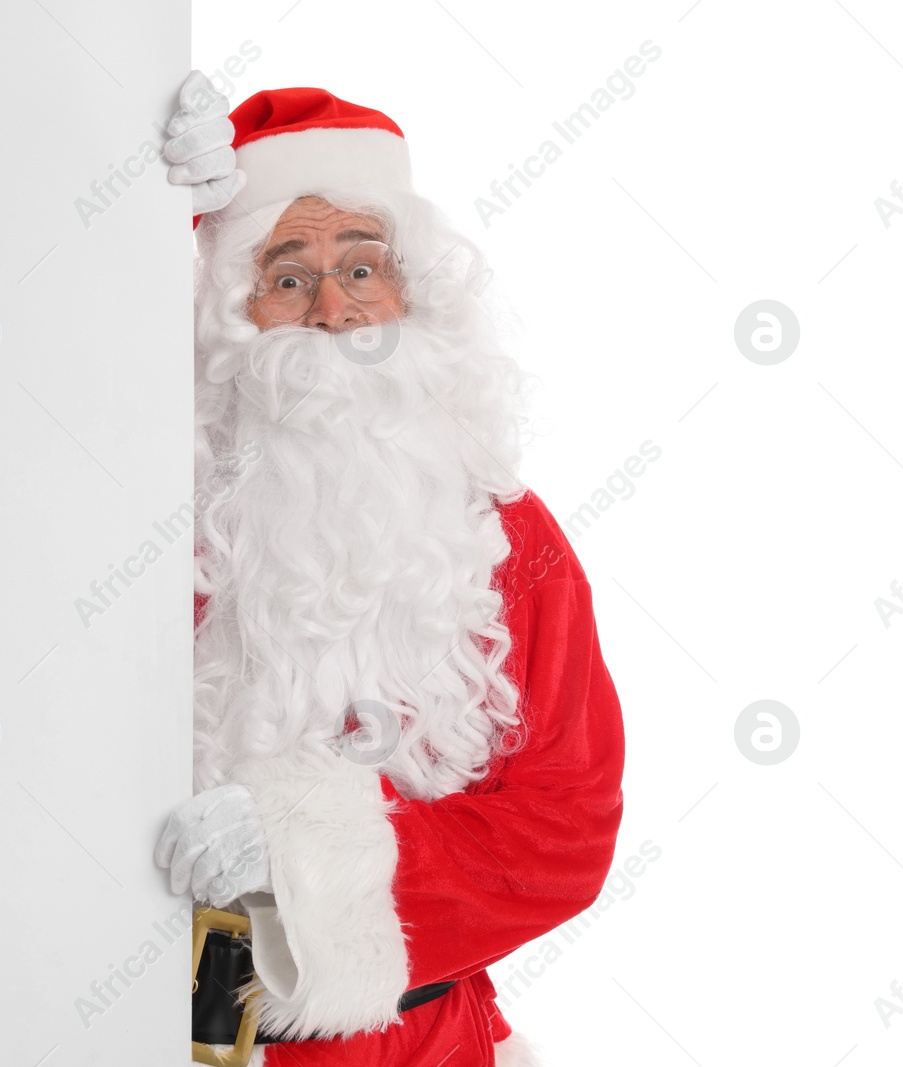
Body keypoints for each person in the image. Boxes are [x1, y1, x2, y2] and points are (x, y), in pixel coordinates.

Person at [152, 72, 627, 1067]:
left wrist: (300, 853)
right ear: (233, 318)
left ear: (413, 290)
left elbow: (567, 828)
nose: (333, 310)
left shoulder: (507, 535)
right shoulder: (160, 529)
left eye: (361, 268)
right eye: (287, 277)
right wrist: (124, 205)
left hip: (420, 1045)